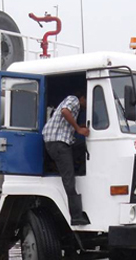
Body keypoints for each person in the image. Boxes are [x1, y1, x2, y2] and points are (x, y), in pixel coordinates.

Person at [42, 89, 90, 226]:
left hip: (58, 142)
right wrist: (78, 129)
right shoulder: (73, 99)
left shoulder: (75, 105)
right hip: (58, 142)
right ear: (82, 98)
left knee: (81, 146)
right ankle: (76, 216)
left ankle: (78, 168)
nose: (87, 104)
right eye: (87, 101)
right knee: (69, 179)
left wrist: (78, 127)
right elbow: (64, 111)